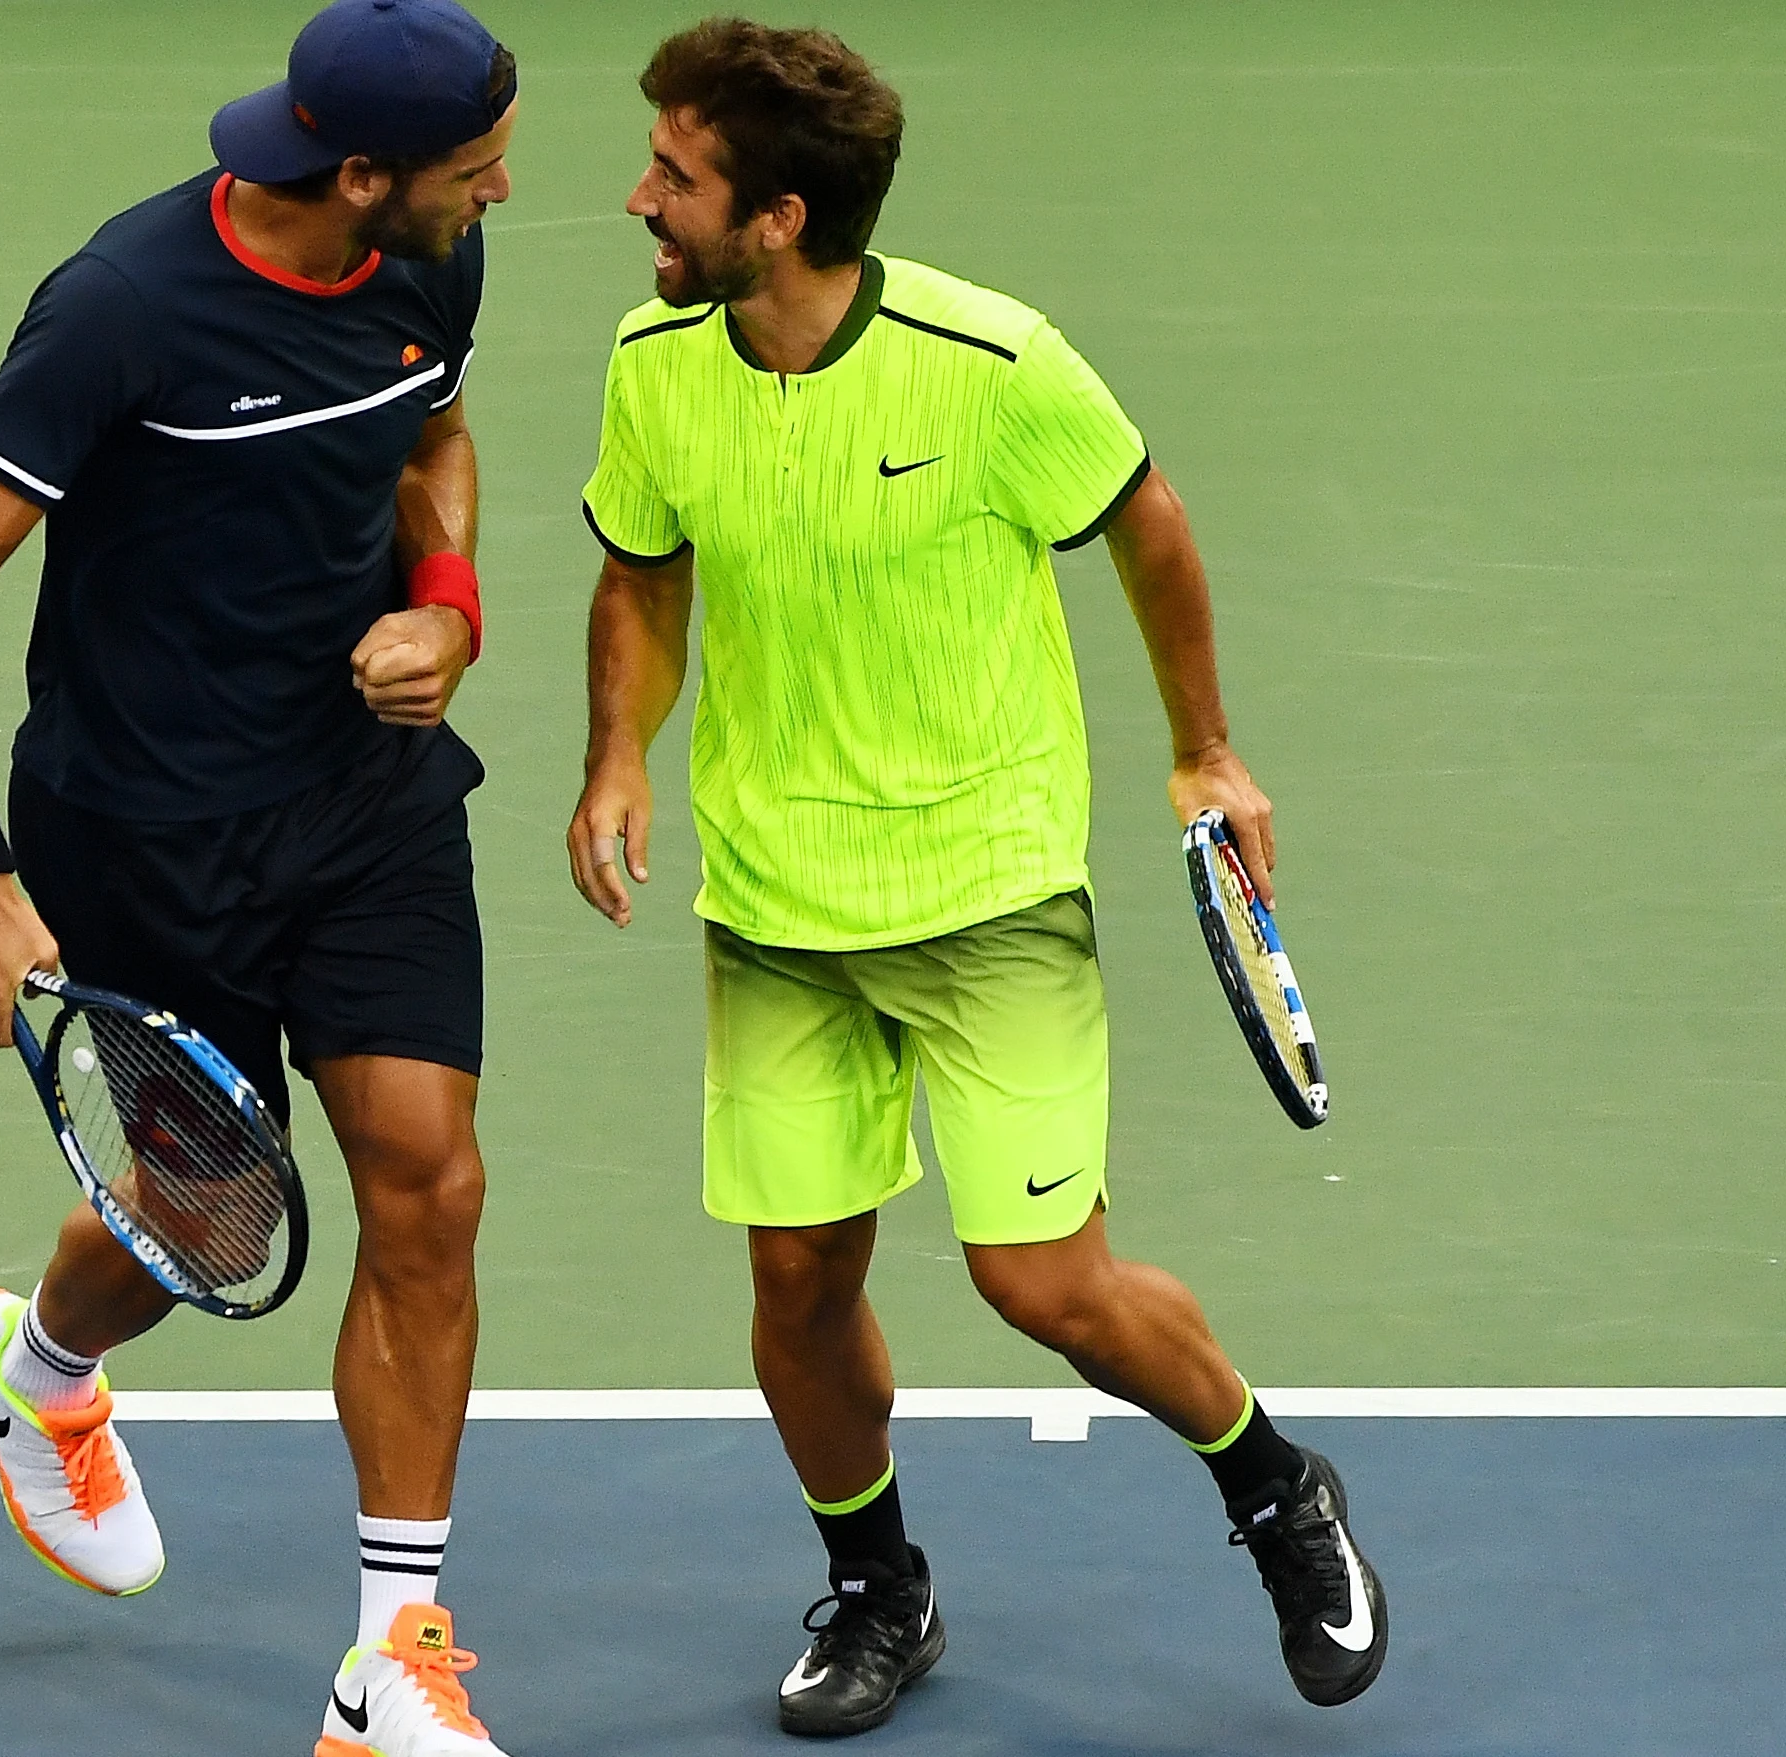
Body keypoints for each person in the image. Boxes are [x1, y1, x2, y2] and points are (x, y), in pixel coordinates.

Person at [564, 18, 1387, 1738]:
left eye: (676, 175)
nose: (639, 196)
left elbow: (1143, 518)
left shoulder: (990, 359)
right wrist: (619, 756)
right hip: (773, 910)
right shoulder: (655, 357)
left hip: (988, 894)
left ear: (778, 217)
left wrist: (1205, 747)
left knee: (1044, 1288)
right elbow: (643, 578)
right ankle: (879, 1590)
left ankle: (1271, 1487)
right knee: (795, 1280)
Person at [0, 3, 523, 1751]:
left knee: (428, 1177)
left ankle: (392, 1659)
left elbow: (428, 451)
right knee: (197, 1225)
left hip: (360, 799)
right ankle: (38, 1371)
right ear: (364, 175)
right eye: (476, 169)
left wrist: (445, 609)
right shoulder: (124, 309)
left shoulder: (427, 264)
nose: (506, 190)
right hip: (142, 828)